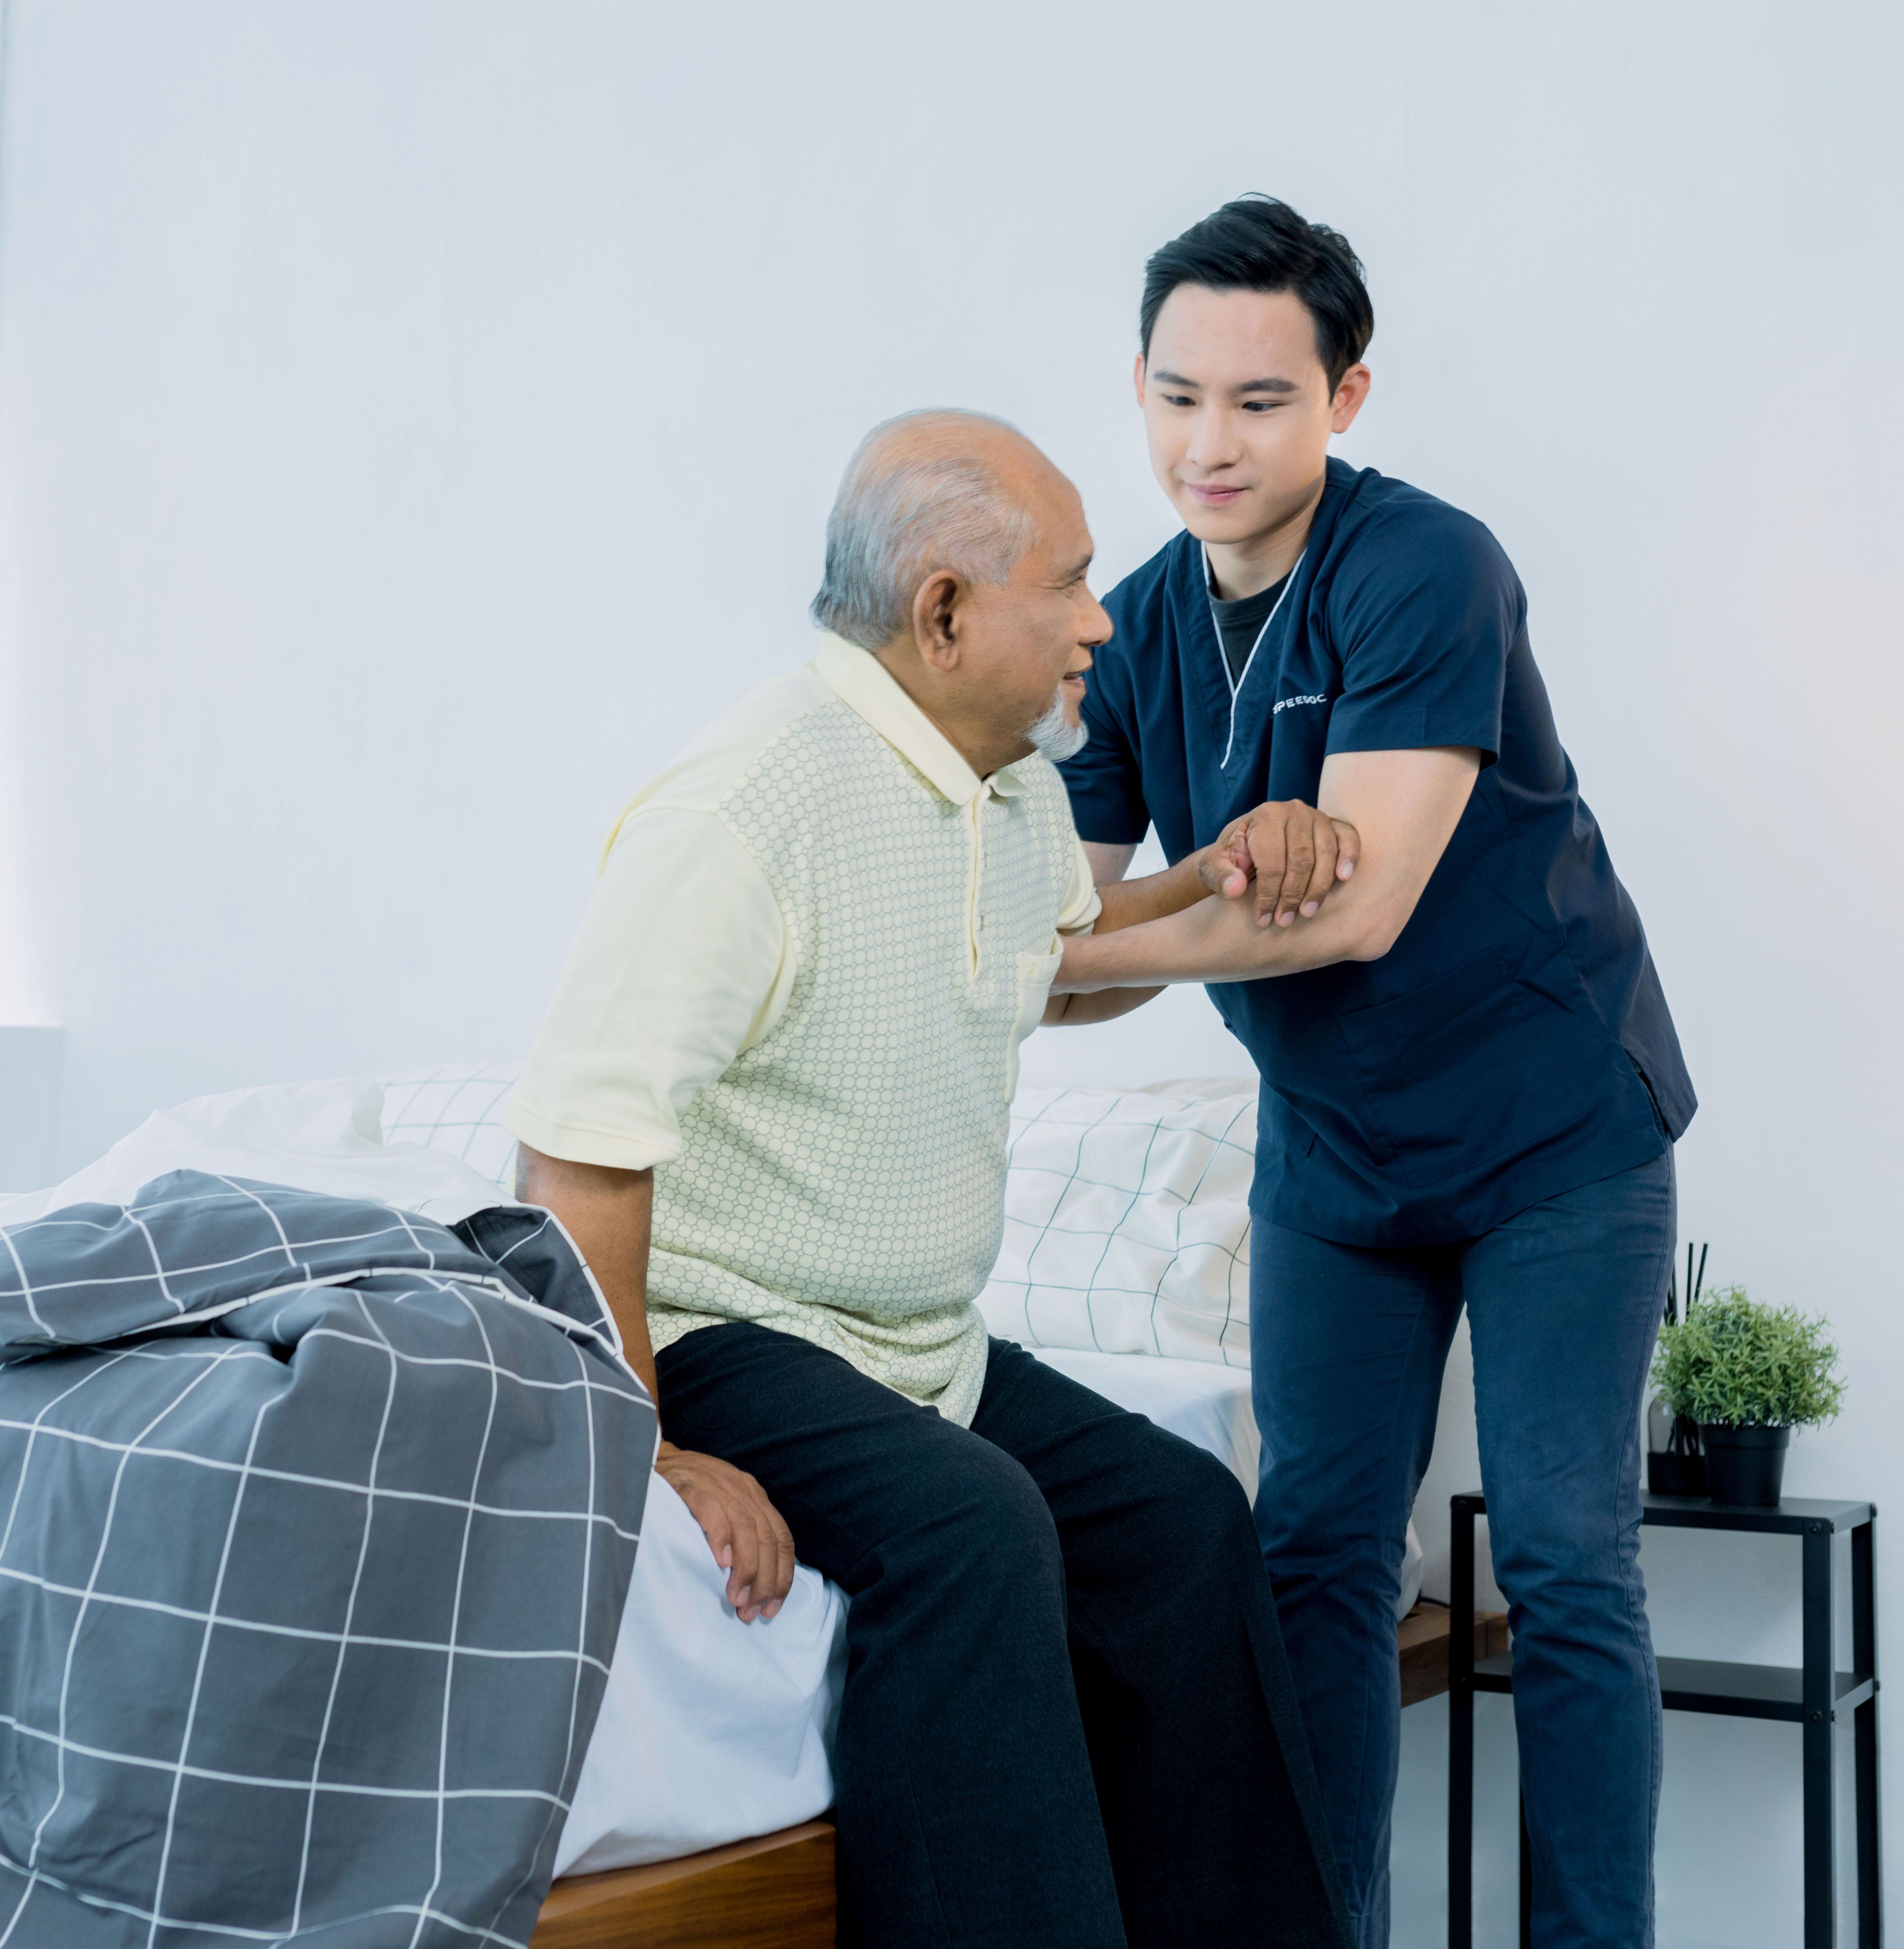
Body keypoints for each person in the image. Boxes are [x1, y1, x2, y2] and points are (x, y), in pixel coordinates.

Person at [506, 409, 1345, 1949]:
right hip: (719, 1333)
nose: (1106, 619)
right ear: (944, 611)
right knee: (971, 1534)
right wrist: (643, 1447)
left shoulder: (1007, 784)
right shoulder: (749, 806)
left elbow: (1059, 970)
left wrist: (1225, 864)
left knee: (1182, 1522)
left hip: (911, 1352)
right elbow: (574, 1150)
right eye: (1072, 584)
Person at [1050, 195, 1694, 1949]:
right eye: (1180, 397)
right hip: (1337, 1159)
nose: (1213, 441)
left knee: (1563, 1560)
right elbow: (1053, 952)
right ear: (1139, 390)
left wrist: (1086, 941)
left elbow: (1357, 909)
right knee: (1314, 1561)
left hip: (1553, 1129)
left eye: (1262, 400)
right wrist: (1139, 911)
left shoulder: (1427, 568)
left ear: (1344, 398)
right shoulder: (1130, 631)